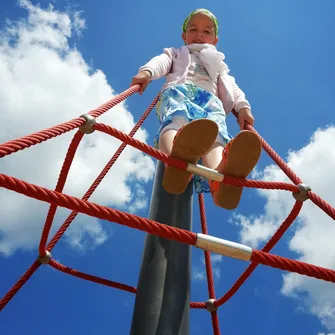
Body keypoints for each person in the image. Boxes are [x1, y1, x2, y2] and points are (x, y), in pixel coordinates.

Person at [130, 8, 262, 210]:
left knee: (216, 137)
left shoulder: (219, 64)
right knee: (176, 120)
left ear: (215, 40)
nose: (200, 34)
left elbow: (232, 87)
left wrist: (243, 107)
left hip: (211, 101)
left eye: (207, 31)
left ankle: (221, 179)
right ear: (184, 36)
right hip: (180, 92)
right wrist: (147, 72)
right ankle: (174, 160)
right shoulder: (176, 52)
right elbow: (161, 62)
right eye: (194, 29)